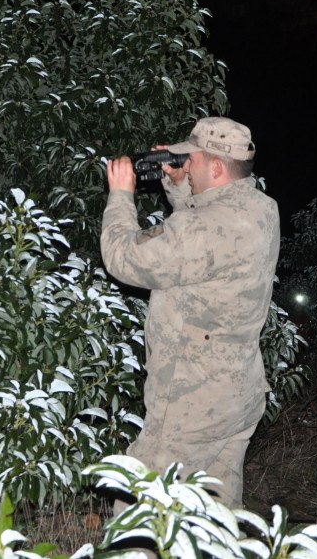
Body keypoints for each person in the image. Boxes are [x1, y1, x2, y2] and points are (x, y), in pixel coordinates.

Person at [100, 116, 279, 510]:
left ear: (215, 167)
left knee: (141, 503)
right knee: (214, 509)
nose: (186, 166)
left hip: (193, 402)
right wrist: (181, 186)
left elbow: (124, 258)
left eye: (192, 161)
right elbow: (203, 245)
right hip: (238, 390)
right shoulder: (262, 209)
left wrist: (121, 195)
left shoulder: (203, 228)